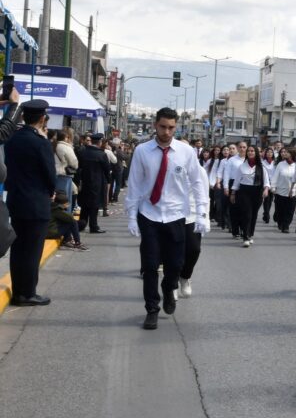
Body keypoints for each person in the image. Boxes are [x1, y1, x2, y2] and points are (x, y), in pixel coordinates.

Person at [125, 108, 209, 329]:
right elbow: (134, 184)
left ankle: (169, 288)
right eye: (163, 126)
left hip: (176, 215)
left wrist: (202, 212)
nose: (166, 131)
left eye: (171, 127)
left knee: (175, 264)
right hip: (149, 213)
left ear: (176, 127)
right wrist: (132, 216)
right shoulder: (142, 151)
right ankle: (151, 309)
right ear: (155, 125)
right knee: (150, 265)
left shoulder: (186, 152)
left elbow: (197, 183)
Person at [4, 99, 57, 306]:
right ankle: (27, 293)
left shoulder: (13, 139)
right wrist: (52, 191)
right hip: (37, 203)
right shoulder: (41, 142)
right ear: (43, 118)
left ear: (24, 117)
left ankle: (19, 290)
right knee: (32, 251)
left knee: (18, 249)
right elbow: (49, 174)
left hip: (16, 200)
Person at [177, 166, 210, 299]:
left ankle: (185, 277)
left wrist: (205, 218)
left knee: (194, 249)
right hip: (171, 215)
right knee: (171, 251)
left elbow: (204, 195)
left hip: (192, 215)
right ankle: (172, 284)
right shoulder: (168, 166)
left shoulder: (199, 170)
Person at [231, 145, 271, 248]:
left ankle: (250, 234)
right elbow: (236, 181)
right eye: (248, 151)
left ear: (256, 153)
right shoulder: (242, 166)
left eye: (252, 151)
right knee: (247, 214)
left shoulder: (261, 167)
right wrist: (233, 193)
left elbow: (266, 182)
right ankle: (245, 237)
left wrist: (266, 189)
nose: (250, 152)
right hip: (244, 192)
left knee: (253, 215)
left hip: (257, 192)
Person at [77, 133, 111, 234]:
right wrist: (108, 180)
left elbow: (79, 166)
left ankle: (82, 224)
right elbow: (107, 169)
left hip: (84, 182)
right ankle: (93, 226)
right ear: (100, 142)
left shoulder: (83, 152)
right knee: (94, 205)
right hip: (97, 183)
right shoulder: (101, 154)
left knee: (84, 204)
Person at [271, 147, 296, 233]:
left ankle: (286, 226)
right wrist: (273, 187)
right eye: (284, 152)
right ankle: (280, 222)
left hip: (292, 192)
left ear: (292, 154)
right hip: (280, 191)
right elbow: (275, 176)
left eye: (287, 152)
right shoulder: (281, 164)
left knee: (290, 210)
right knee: (280, 210)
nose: (285, 153)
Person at [261, 146, 276, 223]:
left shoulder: (275, 163)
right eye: (268, 152)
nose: (269, 154)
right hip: (265, 182)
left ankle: (266, 212)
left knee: (270, 200)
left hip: (273, 183)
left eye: (271, 152)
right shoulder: (262, 163)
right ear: (265, 154)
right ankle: (266, 214)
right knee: (266, 199)